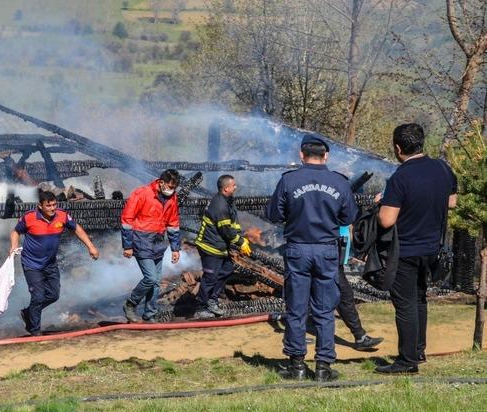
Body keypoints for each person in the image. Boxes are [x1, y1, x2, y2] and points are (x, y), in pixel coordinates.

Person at [265, 134, 359, 381]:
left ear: (301, 155)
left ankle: (296, 366)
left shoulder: (289, 181)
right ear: (326, 156)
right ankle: (323, 367)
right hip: (326, 250)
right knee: (325, 310)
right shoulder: (339, 182)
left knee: (296, 308)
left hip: (298, 249)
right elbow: (349, 217)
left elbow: (274, 214)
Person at [375, 123, 457, 374]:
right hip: (432, 247)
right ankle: (419, 350)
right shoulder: (442, 168)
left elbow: (387, 220)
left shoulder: (401, 177)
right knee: (420, 299)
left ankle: (407, 361)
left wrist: (382, 203)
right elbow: (451, 202)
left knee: (406, 304)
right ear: (422, 143)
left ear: (398, 148)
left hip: (406, 250)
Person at [10, 190, 99, 336]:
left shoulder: (62, 215)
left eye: (54, 205)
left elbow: (76, 228)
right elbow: (15, 232)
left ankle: (28, 312)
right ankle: (35, 330)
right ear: (40, 206)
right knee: (38, 297)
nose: (52, 209)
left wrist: (91, 246)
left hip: (50, 264)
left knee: (53, 295)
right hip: (32, 264)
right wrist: (14, 245)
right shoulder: (29, 217)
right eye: (49, 206)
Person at [121, 169, 181, 323]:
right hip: (141, 241)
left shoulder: (172, 198)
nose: (171, 190)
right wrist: (127, 245)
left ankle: (150, 314)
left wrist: (175, 248)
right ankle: (130, 304)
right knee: (150, 277)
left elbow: (173, 224)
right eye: (169, 186)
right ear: (161, 182)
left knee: (156, 282)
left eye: (174, 188)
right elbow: (127, 220)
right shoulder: (142, 193)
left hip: (158, 242)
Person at [193, 174, 252, 319]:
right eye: (233, 185)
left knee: (227, 269)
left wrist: (240, 236)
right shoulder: (219, 205)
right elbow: (226, 231)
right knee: (210, 277)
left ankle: (211, 299)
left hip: (220, 246)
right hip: (210, 246)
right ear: (226, 188)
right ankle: (201, 307)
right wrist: (241, 242)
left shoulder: (228, 201)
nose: (235, 187)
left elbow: (233, 223)